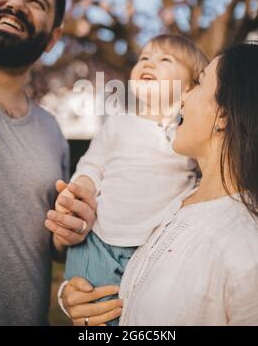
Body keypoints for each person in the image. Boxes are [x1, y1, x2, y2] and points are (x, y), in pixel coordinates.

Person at [60, 42, 258, 326]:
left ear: (223, 114)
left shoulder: (251, 252)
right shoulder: (179, 205)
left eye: (198, 84)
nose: (184, 100)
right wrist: (74, 299)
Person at [52, 34, 208, 326]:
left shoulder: (189, 138)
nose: (149, 62)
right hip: (97, 242)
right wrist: (81, 189)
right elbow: (92, 165)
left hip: (153, 248)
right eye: (144, 58)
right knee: (98, 316)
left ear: (189, 88)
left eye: (165, 59)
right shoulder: (119, 124)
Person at [0, 0, 96, 326]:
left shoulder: (52, 134)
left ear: (53, 38)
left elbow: (51, 247)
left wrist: (70, 230)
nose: (16, 3)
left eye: (36, 2)